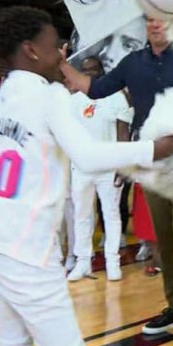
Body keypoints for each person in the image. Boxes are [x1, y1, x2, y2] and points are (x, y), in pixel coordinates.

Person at [0, 6, 173, 346]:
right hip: (24, 248)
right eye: (56, 46)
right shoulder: (49, 94)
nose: (62, 56)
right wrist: (154, 149)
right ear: (32, 51)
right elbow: (87, 155)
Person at [60, 16, 173, 346]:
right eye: (151, 21)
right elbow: (96, 90)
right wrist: (62, 64)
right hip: (151, 157)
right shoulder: (133, 62)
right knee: (164, 238)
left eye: (163, 21)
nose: (157, 26)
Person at [64, 56, 132, 282]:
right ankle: (83, 261)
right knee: (82, 215)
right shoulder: (74, 100)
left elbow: (124, 134)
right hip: (82, 167)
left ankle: (112, 261)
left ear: (102, 71)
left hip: (109, 167)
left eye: (94, 70)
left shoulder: (116, 97)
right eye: (86, 70)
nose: (90, 73)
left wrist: (122, 166)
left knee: (111, 215)